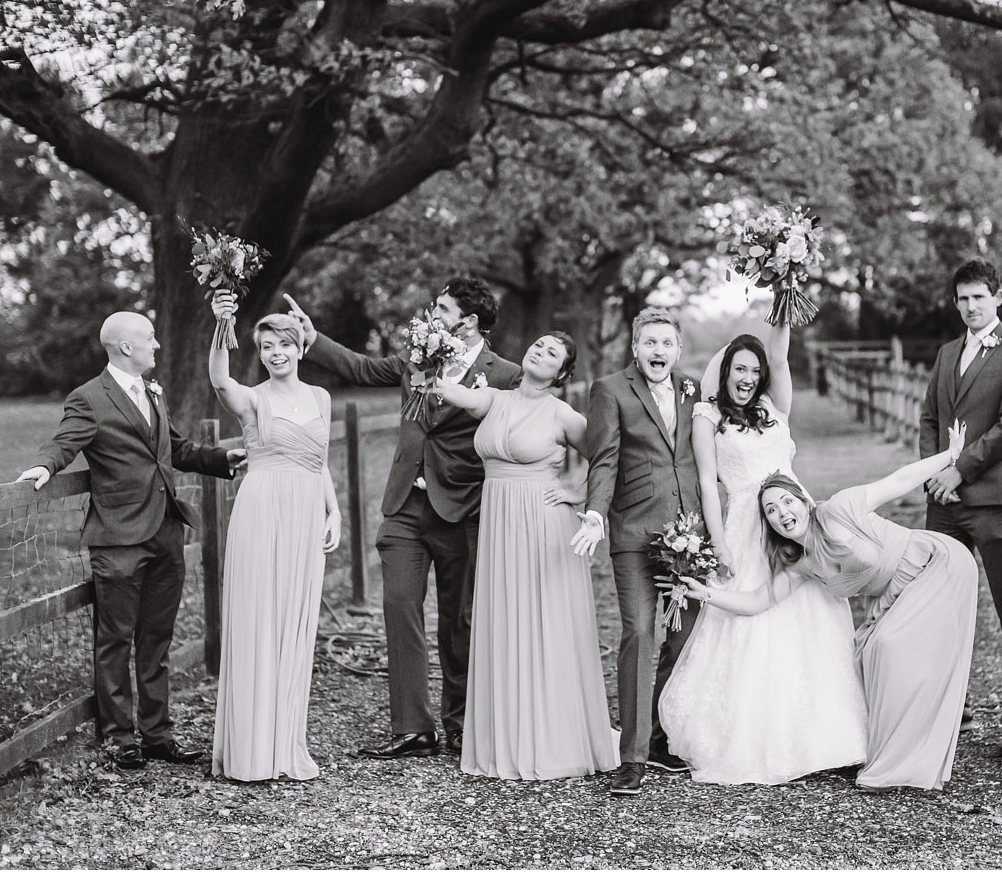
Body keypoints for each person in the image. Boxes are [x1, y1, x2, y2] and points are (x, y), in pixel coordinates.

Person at [285, 280, 522, 759]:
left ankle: (461, 722)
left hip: (463, 508)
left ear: (469, 321)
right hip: (405, 507)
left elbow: (522, 432)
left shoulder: (507, 375)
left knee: (459, 621)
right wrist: (312, 338)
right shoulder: (418, 357)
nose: (433, 313)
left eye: (442, 307)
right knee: (398, 604)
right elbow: (364, 368)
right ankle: (414, 727)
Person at [669, 421, 973, 791]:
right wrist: (707, 593)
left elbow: (896, 482)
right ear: (769, 525)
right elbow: (756, 602)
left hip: (929, 566)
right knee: (871, 657)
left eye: (787, 501)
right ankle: (903, 752)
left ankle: (913, 751)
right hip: (891, 597)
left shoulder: (840, 508)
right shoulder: (801, 564)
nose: (782, 512)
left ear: (802, 500)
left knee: (888, 645)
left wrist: (949, 456)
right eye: (771, 511)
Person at [17, 311, 244, 770]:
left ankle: (158, 733)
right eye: (149, 337)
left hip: (164, 532)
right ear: (124, 346)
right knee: (115, 640)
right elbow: (64, 442)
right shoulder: (90, 398)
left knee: (157, 639)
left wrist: (223, 458)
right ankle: (119, 738)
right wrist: (44, 466)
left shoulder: (153, 394)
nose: (157, 345)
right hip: (118, 539)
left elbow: (176, 449)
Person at [657, 323, 866, 785]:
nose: (748, 377)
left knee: (815, 624)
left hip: (794, 516)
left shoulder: (774, 406)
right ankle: (758, 734)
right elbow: (709, 485)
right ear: (726, 370)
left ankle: (828, 737)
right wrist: (721, 540)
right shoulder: (708, 416)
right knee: (753, 626)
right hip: (745, 525)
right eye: (739, 368)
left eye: (755, 369)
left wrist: (784, 292)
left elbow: (782, 349)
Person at [430, 331, 617, 780]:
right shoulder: (492, 398)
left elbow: (609, 458)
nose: (540, 350)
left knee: (544, 626)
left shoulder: (563, 415)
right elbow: (444, 388)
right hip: (499, 526)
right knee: (504, 623)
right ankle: (507, 737)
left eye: (552, 352)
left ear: (562, 373)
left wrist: (576, 493)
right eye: (538, 344)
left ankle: (552, 739)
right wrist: (434, 347)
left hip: (543, 525)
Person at [569, 307, 703, 797]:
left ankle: (662, 735)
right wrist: (596, 513)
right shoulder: (610, 389)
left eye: (666, 343)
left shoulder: (693, 391)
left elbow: (697, 458)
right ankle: (632, 756)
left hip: (688, 534)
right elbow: (603, 459)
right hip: (633, 531)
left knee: (685, 636)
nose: (658, 351)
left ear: (678, 349)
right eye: (649, 343)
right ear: (635, 347)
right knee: (640, 634)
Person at [206, 294, 339, 781]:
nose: (275, 352)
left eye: (284, 343)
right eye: (265, 346)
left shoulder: (320, 398)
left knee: (294, 623)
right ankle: (251, 751)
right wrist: (223, 326)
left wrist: (335, 510)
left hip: (306, 515)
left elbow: (319, 461)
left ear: (300, 346)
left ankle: (285, 742)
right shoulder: (253, 398)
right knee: (260, 620)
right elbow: (219, 379)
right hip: (262, 512)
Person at [919, 258, 1002, 757]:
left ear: (997, 298)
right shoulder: (947, 353)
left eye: (979, 297)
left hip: (994, 498)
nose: (970, 306)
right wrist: (932, 474)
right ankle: (952, 708)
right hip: (944, 502)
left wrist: (960, 470)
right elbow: (929, 416)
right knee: (938, 608)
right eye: (963, 298)